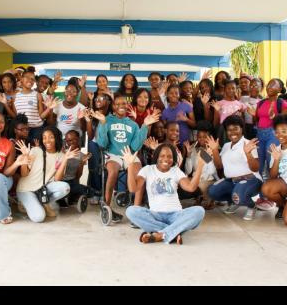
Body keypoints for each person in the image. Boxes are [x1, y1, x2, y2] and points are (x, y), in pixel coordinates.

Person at [94, 93, 160, 222]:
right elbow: (102, 144)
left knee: (139, 173)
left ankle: (136, 208)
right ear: (113, 106)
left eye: (123, 103)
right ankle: (107, 205)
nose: (121, 106)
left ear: (127, 105)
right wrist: (102, 123)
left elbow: (135, 146)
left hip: (129, 155)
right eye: (117, 104)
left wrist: (145, 126)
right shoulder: (106, 120)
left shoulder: (133, 124)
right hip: (113, 154)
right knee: (112, 171)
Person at [123, 144, 206, 245]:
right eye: (162, 156)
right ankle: (173, 233)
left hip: (176, 215)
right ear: (156, 156)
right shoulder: (148, 169)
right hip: (155, 215)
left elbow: (191, 187)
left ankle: (160, 234)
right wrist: (130, 166)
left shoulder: (176, 171)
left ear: (173, 158)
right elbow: (133, 188)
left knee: (199, 211)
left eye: (169, 156)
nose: (166, 159)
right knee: (131, 211)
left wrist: (201, 165)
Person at [206, 115, 262, 221]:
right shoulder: (227, 145)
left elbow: (255, 168)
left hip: (250, 179)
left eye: (235, 128)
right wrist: (214, 150)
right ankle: (235, 201)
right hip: (231, 181)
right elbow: (219, 166)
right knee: (212, 191)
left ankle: (251, 206)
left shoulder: (248, 144)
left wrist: (248, 153)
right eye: (229, 130)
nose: (232, 132)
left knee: (239, 195)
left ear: (242, 129)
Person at [15, 126, 74, 221]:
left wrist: (65, 159)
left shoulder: (61, 155)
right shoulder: (36, 151)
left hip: (42, 189)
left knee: (65, 188)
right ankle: (24, 203)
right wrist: (25, 157)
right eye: (44, 137)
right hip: (26, 189)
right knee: (39, 217)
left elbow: (57, 179)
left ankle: (43, 202)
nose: (47, 140)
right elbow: (24, 174)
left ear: (56, 138)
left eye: (51, 137)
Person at [185, 120, 219, 210]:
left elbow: (212, 171)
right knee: (185, 181)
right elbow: (188, 171)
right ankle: (200, 197)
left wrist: (206, 155)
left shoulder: (212, 149)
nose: (201, 139)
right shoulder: (193, 149)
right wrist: (188, 156)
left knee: (201, 185)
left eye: (204, 137)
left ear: (209, 137)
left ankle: (207, 198)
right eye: (199, 137)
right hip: (196, 179)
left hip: (208, 180)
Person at [56, 130, 93, 206]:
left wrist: (81, 163)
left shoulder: (81, 155)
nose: (72, 142)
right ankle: (62, 198)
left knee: (90, 192)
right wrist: (64, 157)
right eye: (69, 140)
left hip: (72, 182)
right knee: (67, 189)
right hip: (60, 182)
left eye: (75, 139)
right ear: (66, 141)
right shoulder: (61, 153)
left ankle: (71, 196)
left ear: (79, 139)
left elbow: (78, 176)